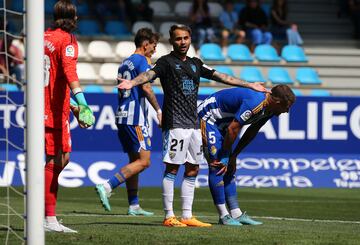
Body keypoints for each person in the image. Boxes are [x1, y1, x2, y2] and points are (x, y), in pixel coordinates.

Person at [118, 24, 269, 227]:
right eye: (178, 39)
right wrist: (132, 82)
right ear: (172, 41)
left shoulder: (196, 63)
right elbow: (149, 75)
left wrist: (249, 84)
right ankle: (169, 216)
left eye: (186, 38)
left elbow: (222, 77)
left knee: (193, 169)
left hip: (193, 123)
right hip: (175, 123)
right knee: (172, 169)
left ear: (190, 39)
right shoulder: (165, 62)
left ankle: (187, 216)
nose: (182, 42)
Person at [197, 85, 295, 225]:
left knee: (229, 168)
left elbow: (252, 131)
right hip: (209, 118)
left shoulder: (270, 109)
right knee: (217, 166)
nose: (287, 111)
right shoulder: (255, 103)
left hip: (225, 124)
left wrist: (234, 155)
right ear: (278, 102)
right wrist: (225, 156)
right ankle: (223, 215)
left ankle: (236, 214)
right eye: (287, 107)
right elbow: (233, 129)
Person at [95, 28, 161, 216]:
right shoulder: (141, 61)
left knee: (134, 160)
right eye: (153, 46)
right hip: (136, 117)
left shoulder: (125, 63)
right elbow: (146, 87)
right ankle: (107, 185)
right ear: (145, 44)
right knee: (145, 161)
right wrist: (158, 110)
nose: (154, 51)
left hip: (123, 115)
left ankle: (134, 205)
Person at [43, 0, 95, 233]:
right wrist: (82, 102)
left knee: (60, 160)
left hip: (41, 104)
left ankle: (44, 210)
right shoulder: (68, 40)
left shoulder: (42, 37)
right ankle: (47, 217)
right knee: (57, 160)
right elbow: (68, 71)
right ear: (73, 18)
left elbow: (52, 76)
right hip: (53, 111)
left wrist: (72, 105)